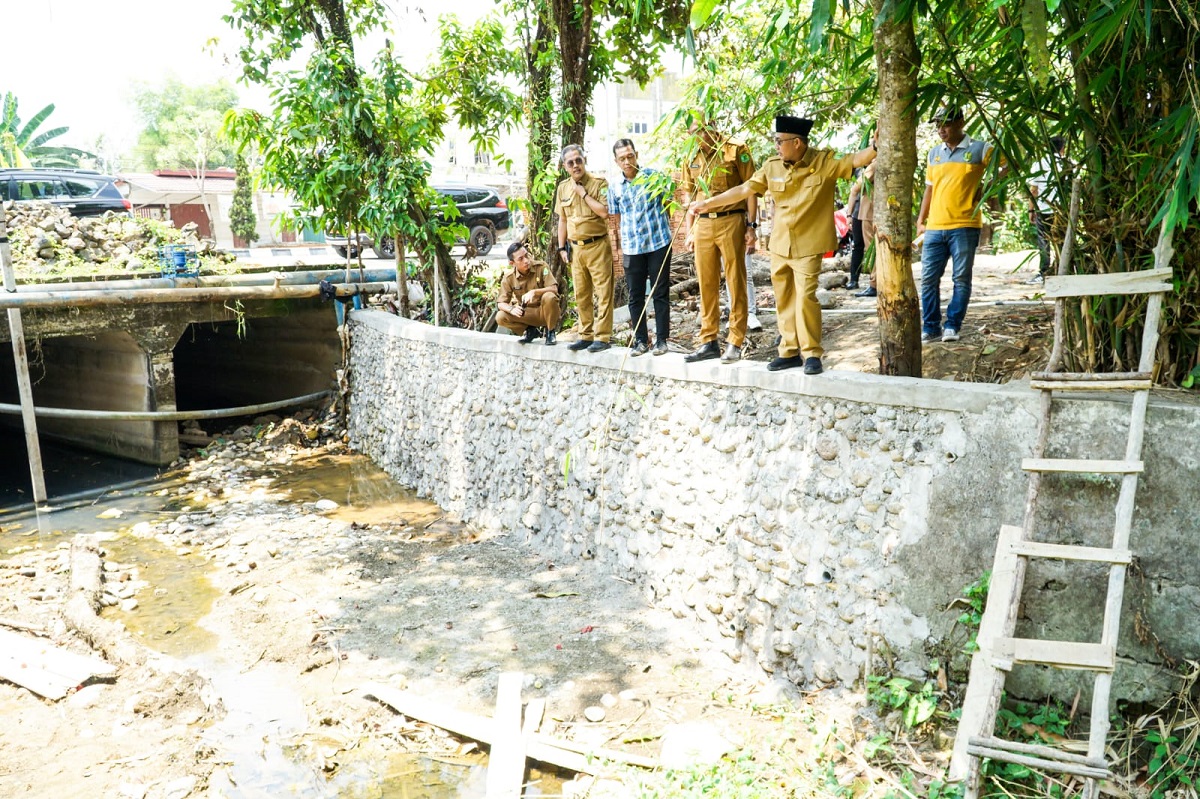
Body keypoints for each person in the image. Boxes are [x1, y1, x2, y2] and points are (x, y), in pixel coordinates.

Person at [690, 115, 876, 374]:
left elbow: (854, 159)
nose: (776, 146)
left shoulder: (823, 162)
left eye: (779, 141)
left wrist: (876, 147)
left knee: (806, 299)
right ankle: (788, 351)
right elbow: (745, 190)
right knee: (784, 299)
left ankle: (811, 353)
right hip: (781, 245)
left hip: (809, 245)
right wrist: (707, 204)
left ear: (797, 143)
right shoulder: (772, 166)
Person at [680, 114, 758, 364]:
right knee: (706, 283)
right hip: (703, 224)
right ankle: (708, 340)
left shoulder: (736, 149)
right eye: (694, 132)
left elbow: (751, 188)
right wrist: (689, 230)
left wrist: (751, 226)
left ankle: (735, 340)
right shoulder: (690, 155)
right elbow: (689, 196)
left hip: (731, 220)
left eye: (703, 130)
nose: (699, 136)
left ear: (713, 126)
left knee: (735, 281)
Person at [915, 106, 994, 343]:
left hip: (965, 225)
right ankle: (930, 327)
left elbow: (1007, 167)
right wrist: (921, 220)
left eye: (946, 124)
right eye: (938, 125)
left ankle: (952, 325)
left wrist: (986, 189)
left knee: (961, 278)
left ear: (961, 122)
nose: (941, 130)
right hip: (935, 227)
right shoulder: (933, 154)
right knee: (928, 278)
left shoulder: (981, 149)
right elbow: (930, 188)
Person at [609, 138, 674, 356]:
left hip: (658, 243)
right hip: (632, 248)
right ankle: (640, 341)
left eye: (630, 156)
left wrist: (668, 232)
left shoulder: (655, 178)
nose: (627, 161)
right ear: (616, 161)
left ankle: (662, 340)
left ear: (636, 154)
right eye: (622, 158)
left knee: (660, 292)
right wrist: (619, 248)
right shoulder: (614, 186)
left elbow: (668, 206)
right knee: (635, 296)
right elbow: (617, 219)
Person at [555, 144, 614, 353]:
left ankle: (603, 336)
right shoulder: (562, 188)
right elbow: (562, 220)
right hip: (576, 249)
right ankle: (586, 335)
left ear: (584, 160)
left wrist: (583, 194)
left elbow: (605, 212)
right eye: (570, 163)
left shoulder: (599, 184)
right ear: (565, 166)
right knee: (581, 294)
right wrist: (561, 247)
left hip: (597, 245)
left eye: (578, 160)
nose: (575, 165)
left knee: (603, 292)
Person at [495, 241, 560, 345]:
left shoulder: (541, 267)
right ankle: (530, 330)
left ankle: (550, 332)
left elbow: (554, 289)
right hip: (528, 314)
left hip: (546, 311)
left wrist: (535, 292)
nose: (526, 261)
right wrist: (511, 309)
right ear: (512, 263)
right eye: (520, 259)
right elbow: (501, 303)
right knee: (500, 316)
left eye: (526, 255)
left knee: (549, 296)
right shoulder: (509, 278)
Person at [1026, 136, 1067, 285]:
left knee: (1044, 241)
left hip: (1043, 209)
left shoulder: (1039, 164)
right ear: (1062, 148)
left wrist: (1031, 210)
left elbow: (1034, 190)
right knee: (1063, 240)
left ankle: (1044, 272)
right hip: (1062, 210)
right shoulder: (1067, 163)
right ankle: (1065, 270)